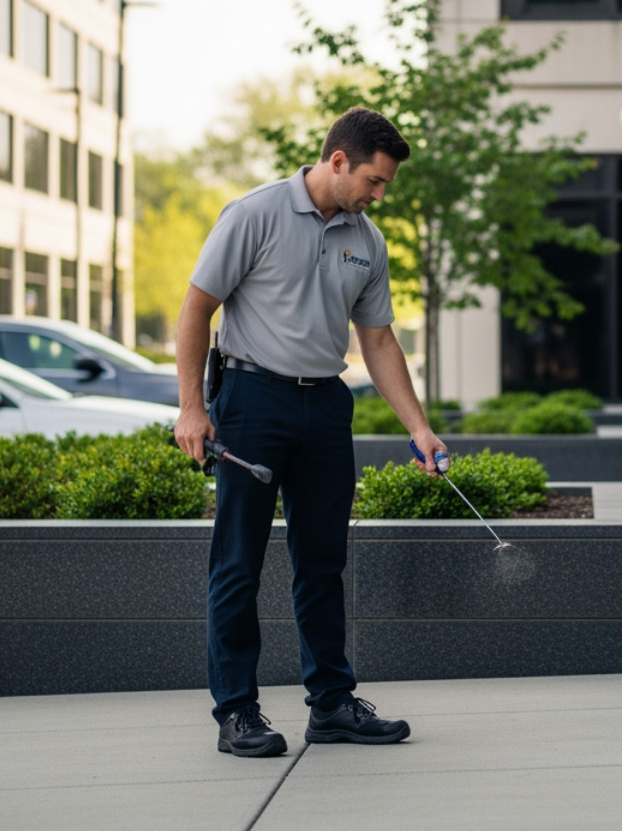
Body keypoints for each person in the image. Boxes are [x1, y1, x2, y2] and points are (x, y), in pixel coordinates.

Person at [174, 106, 448, 758]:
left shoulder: (366, 240)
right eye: (375, 181)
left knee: (323, 562)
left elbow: (378, 340)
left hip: (326, 406)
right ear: (337, 161)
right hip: (250, 400)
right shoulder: (253, 215)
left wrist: (420, 428)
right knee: (238, 561)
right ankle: (236, 711)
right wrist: (191, 407)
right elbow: (196, 308)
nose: (379, 195)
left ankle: (331, 704)